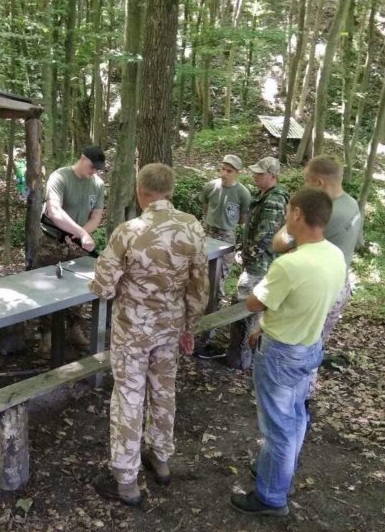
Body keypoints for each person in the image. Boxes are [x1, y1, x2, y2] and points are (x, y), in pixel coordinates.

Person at [89, 163, 208, 507]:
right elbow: (200, 285)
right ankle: (162, 457)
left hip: (133, 332)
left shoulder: (129, 231)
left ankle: (126, 480)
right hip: (170, 327)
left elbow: (103, 287)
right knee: (163, 390)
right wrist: (190, 325)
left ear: (141, 192)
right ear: (170, 191)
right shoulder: (193, 227)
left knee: (128, 396)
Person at [230, 188, 345, 517]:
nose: (284, 217)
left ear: (297, 214)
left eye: (288, 212)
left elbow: (253, 302)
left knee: (278, 427)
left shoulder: (291, 265)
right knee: (294, 418)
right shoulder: (334, 254)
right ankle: (276, 471)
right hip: (309, 346)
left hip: (282, 354)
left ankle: (270, 497)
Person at [272, 156, 363, 402]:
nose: (304, 186)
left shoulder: (327, 214)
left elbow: (279, 244)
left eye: (307, 181)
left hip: (317, 289)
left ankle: (291, 397)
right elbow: (358, 243)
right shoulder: (352, 204)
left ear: (320, 183)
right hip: (338, 283)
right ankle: (303, 395)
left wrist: (289, 218)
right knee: (315, 343)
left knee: (299, 344)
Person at [197, 156, 289, 367]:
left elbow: (265, 235)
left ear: (272, 176)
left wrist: (247, 254)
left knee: (244, 304)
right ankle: (237, 353)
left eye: (260, 173)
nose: (255, 176)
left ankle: (239, 358)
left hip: (259, 264)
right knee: (242, 303)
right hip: (254, 260)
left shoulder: (273, 200)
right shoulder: (264, 195)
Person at [36, 146, 106, 354]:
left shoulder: (97, 184)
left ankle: (74, 328)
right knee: (47, 287)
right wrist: (80, 233)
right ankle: (46, 333)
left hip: (76, 244)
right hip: (53, 241)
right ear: (82, 159)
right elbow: (54, 211)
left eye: (98, 169)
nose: (94, 171)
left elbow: (96, 216)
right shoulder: (60, 177)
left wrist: (80, 234)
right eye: (92, 166)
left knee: (80, 286)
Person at [200, 154, 251, 304]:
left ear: (237, 173)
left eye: (229, 171)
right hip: (208, 231)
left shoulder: (243, 193)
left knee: (220, 275)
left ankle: (214, 308)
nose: (224, 174)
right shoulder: (210, 186)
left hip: (226, 235)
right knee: (202, 271)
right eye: (222, 169)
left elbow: (243, 218)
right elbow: (205, 208)